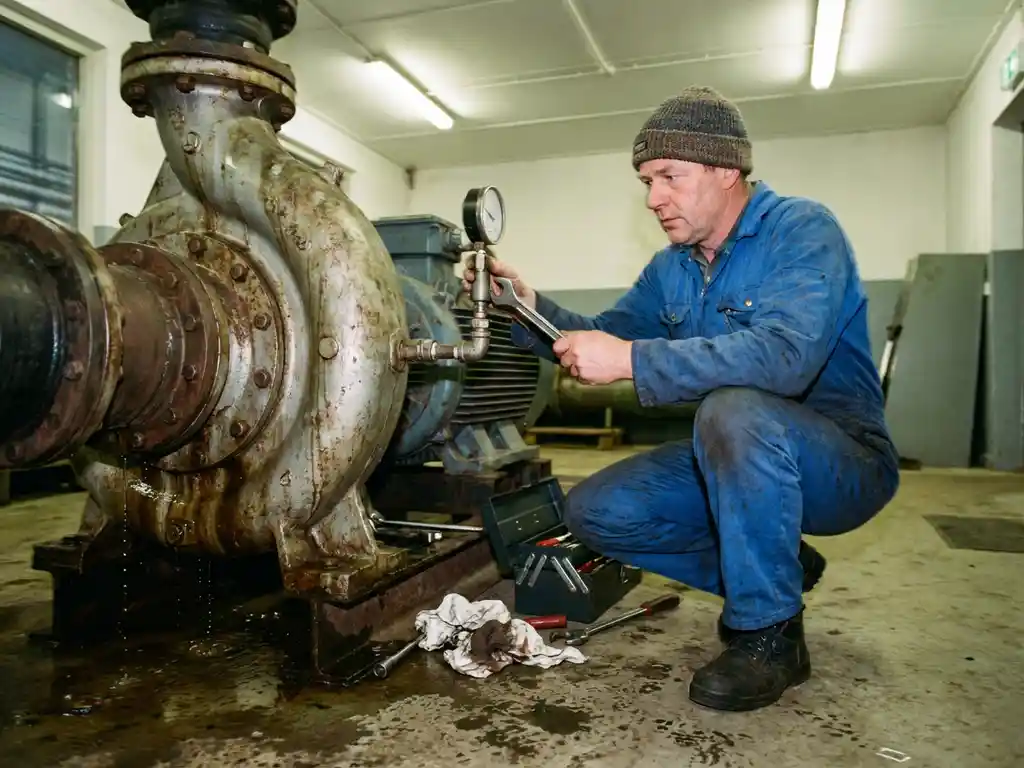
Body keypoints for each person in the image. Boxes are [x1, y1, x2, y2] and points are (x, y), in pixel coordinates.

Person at [463, 85, 901, 713]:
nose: (653, 199)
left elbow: (785, 357)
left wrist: (632, 361)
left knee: (734, 409)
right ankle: (777, 571)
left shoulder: (804, 231)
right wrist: (528, 311)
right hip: (734, 452)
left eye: (669, 175)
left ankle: (770, 635)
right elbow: (608, 334)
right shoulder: (671, 268)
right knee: (597, 511)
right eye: (646, 180)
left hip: (843, 463)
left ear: (727, 170)